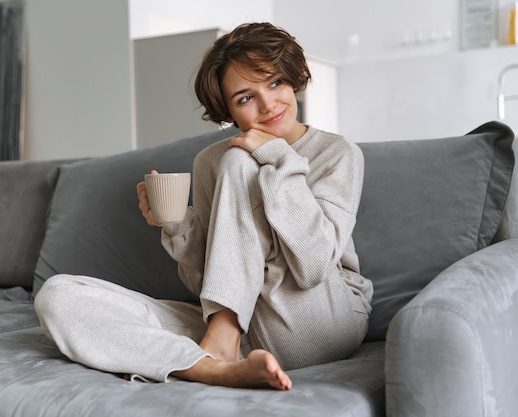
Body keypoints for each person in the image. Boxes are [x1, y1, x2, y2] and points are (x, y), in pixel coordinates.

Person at [34, 22, 373, 391]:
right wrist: (177, 224)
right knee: (59, 298)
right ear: (227, 111)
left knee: (241, 162)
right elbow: (207, 282)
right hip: (249, 325)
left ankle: (218, 343)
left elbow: (314, 266)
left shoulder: (338, 154)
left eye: (275, 83)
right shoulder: (211, 161)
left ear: (293, 80)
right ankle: (214, 367)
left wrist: (275, 157)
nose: (268, 104)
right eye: (245, 98)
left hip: (320, 319)